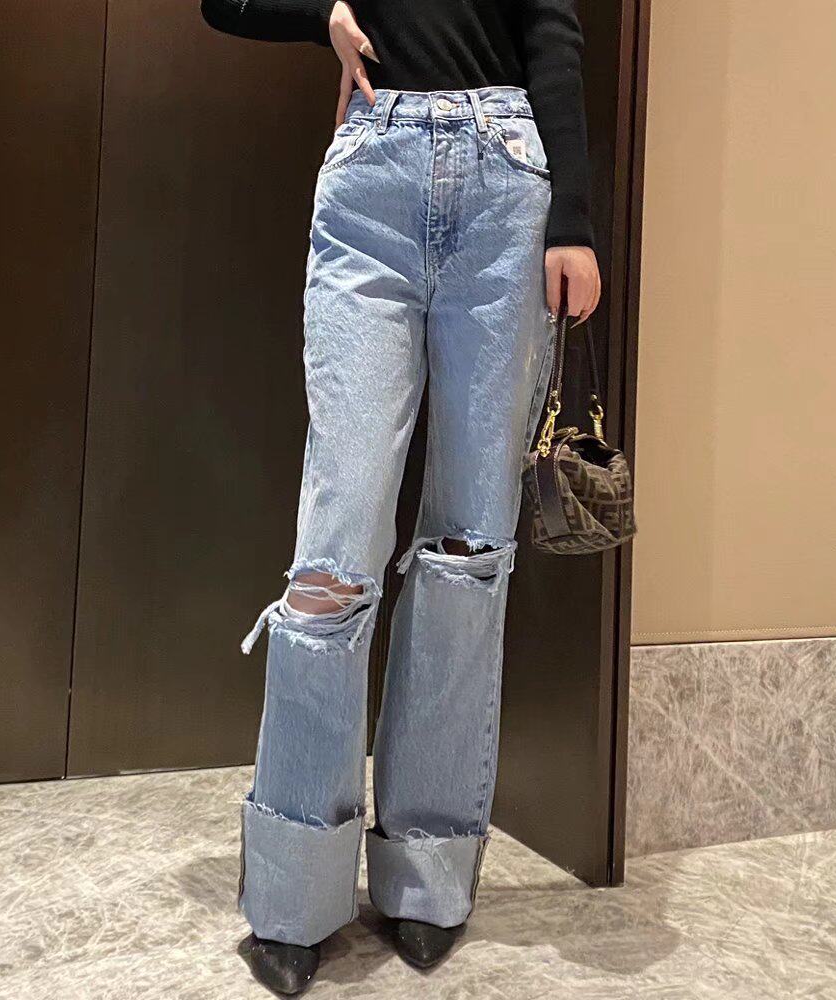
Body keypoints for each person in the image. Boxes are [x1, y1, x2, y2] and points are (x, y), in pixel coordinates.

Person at [200, 0, 602, 993]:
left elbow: (552, 35)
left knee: (468, 550)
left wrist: (574, 221)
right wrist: (323, 15)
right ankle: (294, 888)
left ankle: (429, 868)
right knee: (331, 560)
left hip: (507, 184)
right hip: (371, 181)